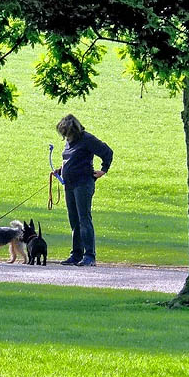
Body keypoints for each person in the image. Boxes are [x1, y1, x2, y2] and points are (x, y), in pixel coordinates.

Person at [54, 114, 113, 267]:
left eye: (68, 133)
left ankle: (89, 255)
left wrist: (103, 170)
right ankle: (76, 253)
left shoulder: (87, 139)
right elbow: (71, 159)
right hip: (70, 184)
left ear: (74, 130)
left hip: (83, 184)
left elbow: (107, 152)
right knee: (74, 220)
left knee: (84, 219)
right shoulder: (69, 141)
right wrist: (61, 170)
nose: (66, 137)